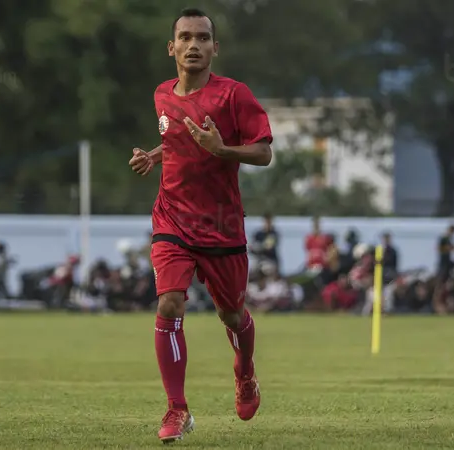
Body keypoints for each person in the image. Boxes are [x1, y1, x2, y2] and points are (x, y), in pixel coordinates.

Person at [127, 8, 272, 443]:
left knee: (232, 314)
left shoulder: (234, 96)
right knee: (169, 303)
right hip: (171, 218)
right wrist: (155, 156)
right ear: (171, 48)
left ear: (214, 48)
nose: (194, 45)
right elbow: (177, 133)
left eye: (203, 38)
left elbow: (263, 153)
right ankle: (177, 410)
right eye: (185, 37)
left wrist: (222, 148)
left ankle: (244, 373)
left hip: (223, 226)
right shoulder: (161, 95)